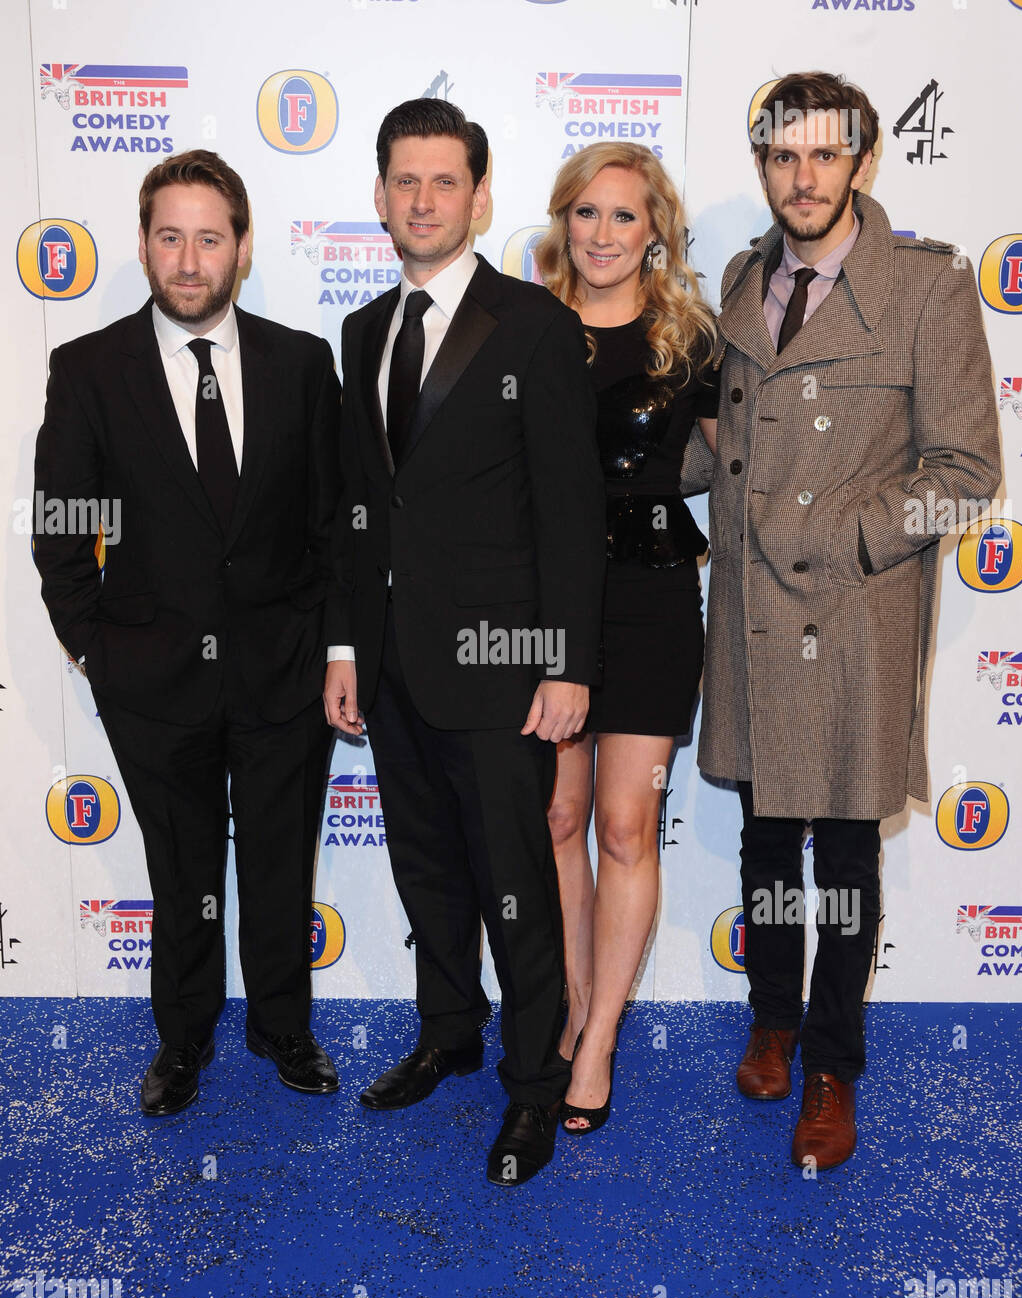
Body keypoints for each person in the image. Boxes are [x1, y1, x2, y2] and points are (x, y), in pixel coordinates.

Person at [681, 73, 1001, 1169]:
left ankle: (830, 1063)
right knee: (767, 838)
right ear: (761, 164)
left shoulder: (924, 285)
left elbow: (964, 472)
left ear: (860, 162)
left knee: (848, 854)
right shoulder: (736, 279)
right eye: (780, 157)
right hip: (754, 617)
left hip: (854, 613)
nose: (800, 178)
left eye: (822, 156)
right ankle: (772, 1018)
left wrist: (851, 536)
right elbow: (719, 443)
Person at [323, 99, 605, 1186]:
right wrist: (346, 647)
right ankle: (448, 1031)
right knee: (426, 867)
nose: (423, 200)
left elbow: (568, 511)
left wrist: (567, 661)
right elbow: (359, 507)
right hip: (392, 664)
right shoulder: (363, 331)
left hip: (501, 669)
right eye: (405, 181)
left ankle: (532, 1086)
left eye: (444, 182)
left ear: (478, 197)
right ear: (381, 197)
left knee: (515, 884)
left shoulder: (531, 325)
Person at [33, 150, 342, 1116]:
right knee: (181, 865)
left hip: (283, 671)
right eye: (171, 236)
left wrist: (335, 649)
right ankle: (184, 1037)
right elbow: (60, 526)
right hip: (151, 674)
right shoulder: (87, 370)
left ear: (242, 249)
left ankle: (283, 1026)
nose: (190, 257)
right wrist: (97, 647)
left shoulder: (300, 362)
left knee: (282, 859)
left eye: (210, 236)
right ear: (142, 245)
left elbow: (334, 524)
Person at [535, 144, 718, 1134]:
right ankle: (572, 1004)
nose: (602, 235)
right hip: (546, 613)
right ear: (561, 222)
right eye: (585, 214)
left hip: (648, 605)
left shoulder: (689, 344)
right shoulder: (523, 333)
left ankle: (599, 1036)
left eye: (622, 216)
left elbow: (750, 474)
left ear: (654, 231)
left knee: (622, 826)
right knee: (557, 824)